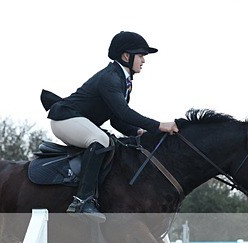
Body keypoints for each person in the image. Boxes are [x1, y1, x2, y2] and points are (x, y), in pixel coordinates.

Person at [43, 31, 179, 221]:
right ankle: (82, 200)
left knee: (110, 142)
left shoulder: (123, 80)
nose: (143, 60)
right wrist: (158, 126)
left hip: (75, 120)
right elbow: (124, 112)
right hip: (64, 119)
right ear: (126, 56)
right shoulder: (110, 78)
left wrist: (138, 131)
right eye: (141, 55)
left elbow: (117, 119)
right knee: (101, 140)